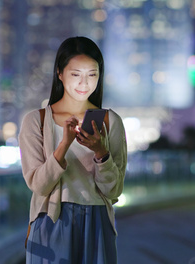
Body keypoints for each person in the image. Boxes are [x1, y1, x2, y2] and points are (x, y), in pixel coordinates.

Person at [18, 36, 127, 263]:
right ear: (59, 73)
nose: (84, 83)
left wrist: (101, 152)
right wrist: (64, 144)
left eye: (92, 75)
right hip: (51, 220)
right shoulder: (36, 121)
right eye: (75, 74)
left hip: (97, 221)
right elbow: (38, 184)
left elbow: (114, 191)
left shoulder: (110, 122)